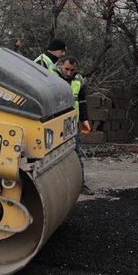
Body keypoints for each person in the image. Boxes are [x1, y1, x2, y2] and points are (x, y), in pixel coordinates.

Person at [55, 55, 93, 195]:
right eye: (67, 69)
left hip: (72, 124)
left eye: (72, 70)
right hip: (55, 124)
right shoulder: (51, 77)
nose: (69, 73)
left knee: (76, 153)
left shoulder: (79, 80)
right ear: (60, 66)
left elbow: (82, 102)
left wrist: (85, 120)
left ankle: (80, 184)